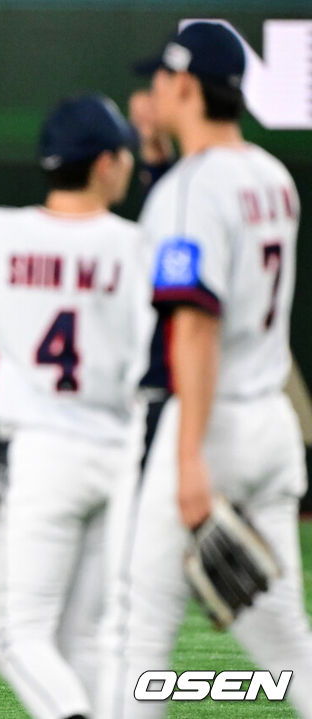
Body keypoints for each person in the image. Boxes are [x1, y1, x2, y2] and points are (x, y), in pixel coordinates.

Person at [96, 22, 312, 718]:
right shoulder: (273, 176)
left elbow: (194, 326)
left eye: (160, 77)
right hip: (271, 427)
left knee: (137, 632)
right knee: (286, 643)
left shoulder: (191, 189)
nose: (151, 88)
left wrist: (189, 458)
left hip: (212, 430)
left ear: (184, 86)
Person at [0, 94, 149, 719]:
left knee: (18, 639)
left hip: (41, 454)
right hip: (124, 454)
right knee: (87, 640)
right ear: (105, 163)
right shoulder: (138, 246)